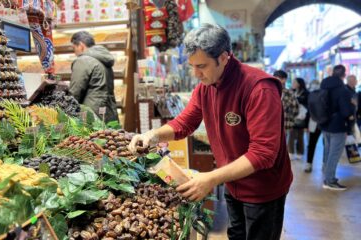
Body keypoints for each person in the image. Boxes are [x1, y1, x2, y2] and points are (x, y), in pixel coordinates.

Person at [128, 24, 293, 240]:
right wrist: (152, 135)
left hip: (263, 190)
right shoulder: (206, 87)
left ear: (224, 57)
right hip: (233, 182)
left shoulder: (259, 89)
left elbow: (263, 153)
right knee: (236, 235)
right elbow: (184, 123)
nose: (196, 74)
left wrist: (211, 179)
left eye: (202, 66)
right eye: (192, 66)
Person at [69, 31, 119, 123]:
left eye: (74, 48)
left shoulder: (83, 60)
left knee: (94, 137)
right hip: (108, 110)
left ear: (81, 45)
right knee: (107, 136)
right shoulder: (103, 59)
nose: (74, 52)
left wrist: (66, 111)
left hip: (91, 114)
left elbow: (75, 91)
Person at [319, 65, 355, 190]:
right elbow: (346, 112)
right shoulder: (342, 90)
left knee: (329, 152)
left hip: (325, 124)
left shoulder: (324, 85)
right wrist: (352, 108)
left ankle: (327, 176)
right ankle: (330, 181)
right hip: (338, 126)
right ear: (344, 75)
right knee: (334, 154)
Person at [273, 70, 299, 159]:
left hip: (285, 123)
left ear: (284, 80)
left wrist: (290, 120)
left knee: (283, 144)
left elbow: (295, 108)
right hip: (271, 123)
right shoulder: (269, 91)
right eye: (275, 77)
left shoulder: (289, 93)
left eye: (278, 78)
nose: (276, 80)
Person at [289, 78, 309, 160]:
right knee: (291, 135)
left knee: (300, 136)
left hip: (302, 117)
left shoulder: (306, 93)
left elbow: (307, 104)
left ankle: (300, 152)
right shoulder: (291, 92)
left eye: (294, 82)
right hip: (292, 117)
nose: (293, 83)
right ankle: (291, 152)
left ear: (299, 84)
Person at [304, 80, 322, 173]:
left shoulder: (324, 93)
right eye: (313, 83)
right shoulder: (310, 95)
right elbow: (308, 111)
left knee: (325, 143)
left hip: (323, 122)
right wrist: (306, 125)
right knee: (311, 144)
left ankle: (324, 163)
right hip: (313, 122)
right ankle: (309, 163)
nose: (314, 85)